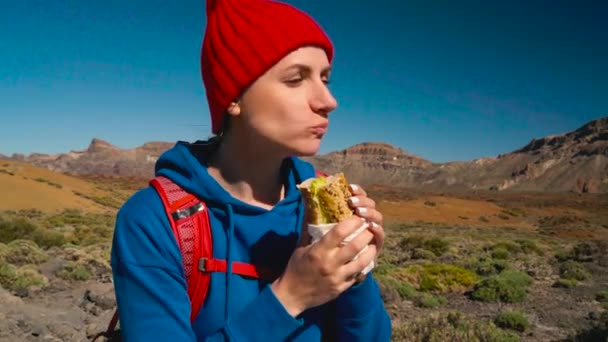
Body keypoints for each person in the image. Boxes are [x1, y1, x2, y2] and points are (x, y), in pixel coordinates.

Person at [110, 0, 392, 340]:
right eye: (296, 79)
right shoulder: (154, 220)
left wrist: (357, 271)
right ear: (234, 97)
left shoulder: (319, 204)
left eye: (325, 78)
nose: (328, 101)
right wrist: (290, 297)